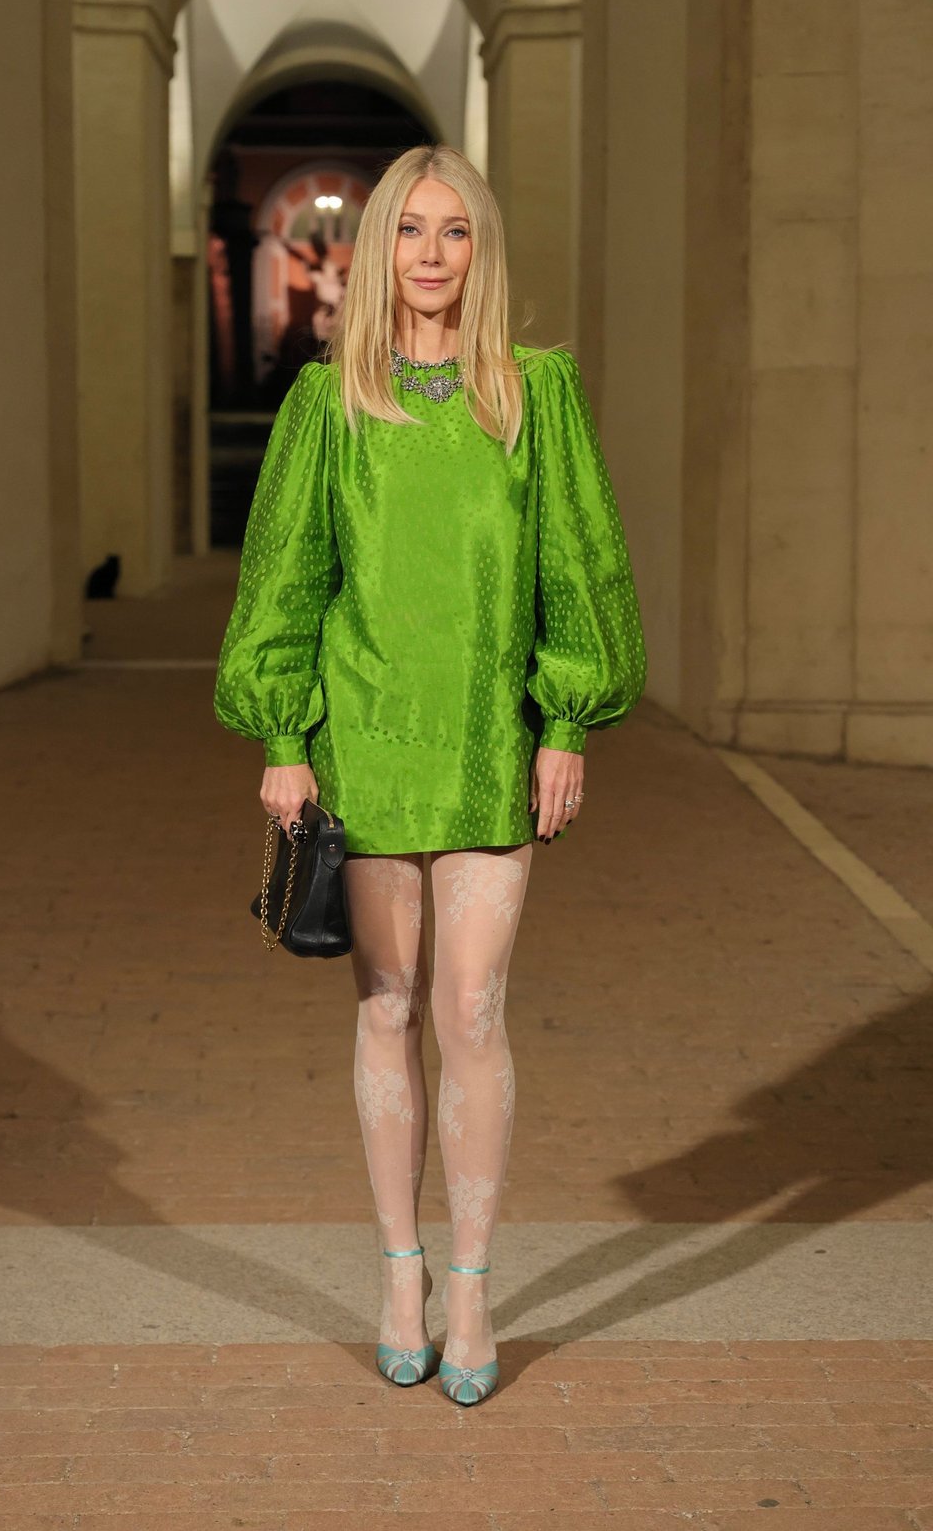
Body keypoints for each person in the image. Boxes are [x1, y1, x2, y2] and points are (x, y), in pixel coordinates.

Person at [213, 144, 647, 1406]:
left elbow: (582, 567)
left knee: (472, 1015)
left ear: (482, 249)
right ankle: (397, 1267)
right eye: (411, 231)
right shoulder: (327, 407)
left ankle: (470, 1281)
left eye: (455, 232)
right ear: (380, 251)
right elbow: (285, 581)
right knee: (389, 1009)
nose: (433, 255)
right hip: (363, 745)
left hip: (487, 745)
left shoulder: (534, 394)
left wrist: (566, 719)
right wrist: (283, 741)